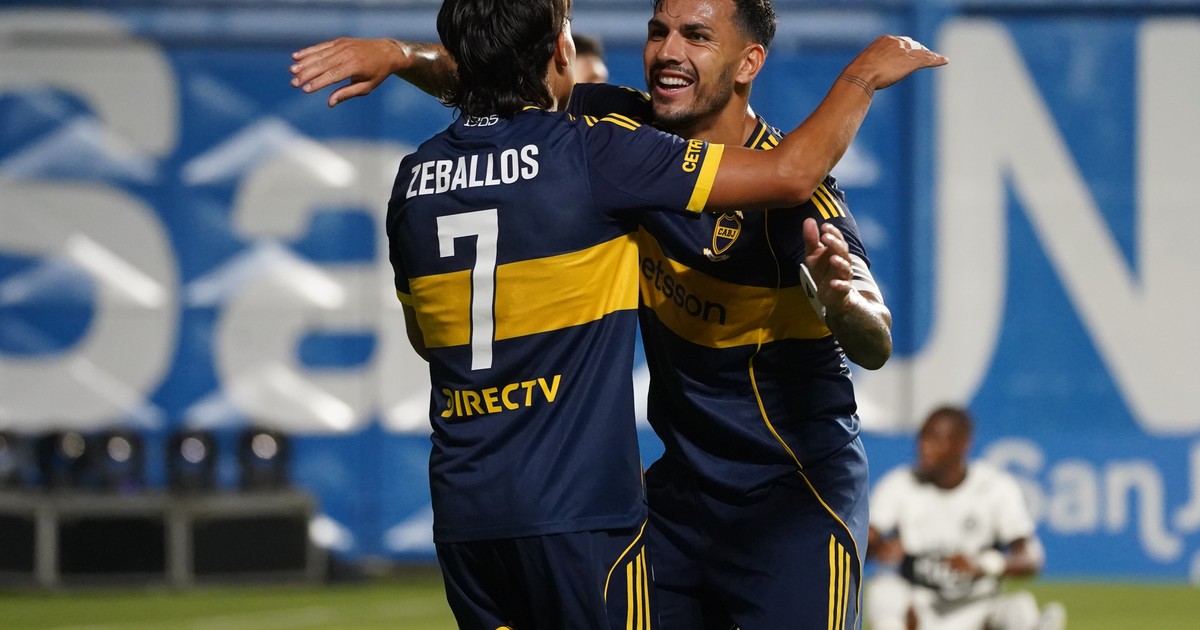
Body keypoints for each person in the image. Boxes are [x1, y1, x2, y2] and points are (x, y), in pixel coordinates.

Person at [293, 1, 946, 627]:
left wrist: (844, 304)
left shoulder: (798, 201)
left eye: (696, 36)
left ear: (749, 62)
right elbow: (500, 72)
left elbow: (874, 336)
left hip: (791, 498)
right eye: (659, 31)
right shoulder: (616, 131)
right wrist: (400, 55)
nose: (667, 51)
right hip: (679, 500)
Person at [865, 406, 1067, 630]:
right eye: (922, 438)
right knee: (883, 590)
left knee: (1020, 607)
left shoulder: (993, 487)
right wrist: (878, 547)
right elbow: (864, 542)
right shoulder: (900, 484)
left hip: (978, 608)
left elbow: (1031, 559)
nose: (924, 447)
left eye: (936, 440)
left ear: (962, 444)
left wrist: (983, 564)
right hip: (921, 610)